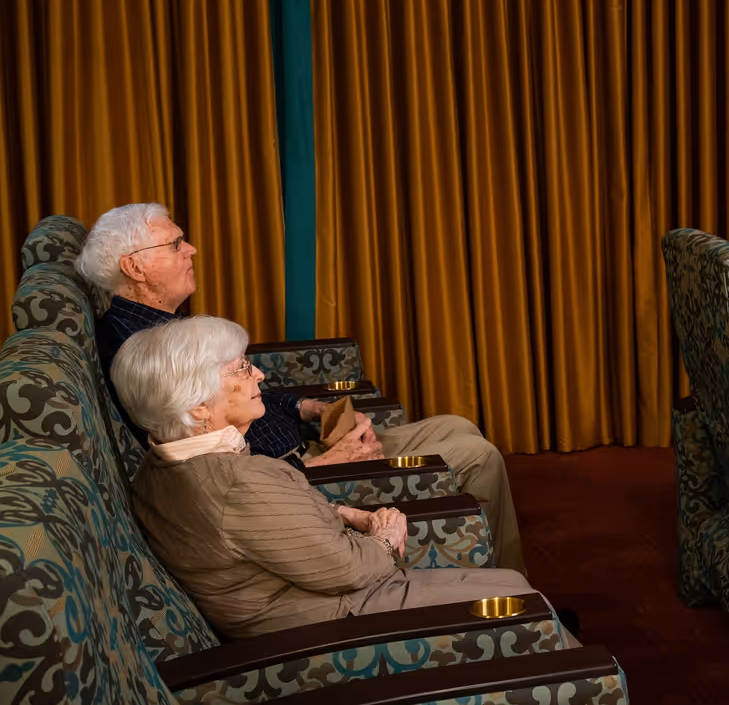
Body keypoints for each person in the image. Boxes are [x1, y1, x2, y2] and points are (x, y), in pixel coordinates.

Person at [112, 316, 680, 705]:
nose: (258, 375)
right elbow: (356, 571)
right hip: (330, 624)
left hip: (302, 598)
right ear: (198, 407)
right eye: (240, 370)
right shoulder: (233, 483)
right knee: (519, 601)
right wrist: (384, 533)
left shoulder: (163, 467)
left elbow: (265, 525)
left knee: (511, 589)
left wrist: (340, 512)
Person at [76, 202, 526, 575]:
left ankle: (504, 579)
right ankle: (506, 588)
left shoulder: (160, 327)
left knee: (458, 425)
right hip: (302, 475)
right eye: (175, 244)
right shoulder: (139, 353)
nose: (191, 249)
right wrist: (329, 461)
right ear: (134, 265)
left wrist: (308, 407)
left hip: (303, 448)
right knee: (479, 455)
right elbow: (207, 466)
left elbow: (229, 397)